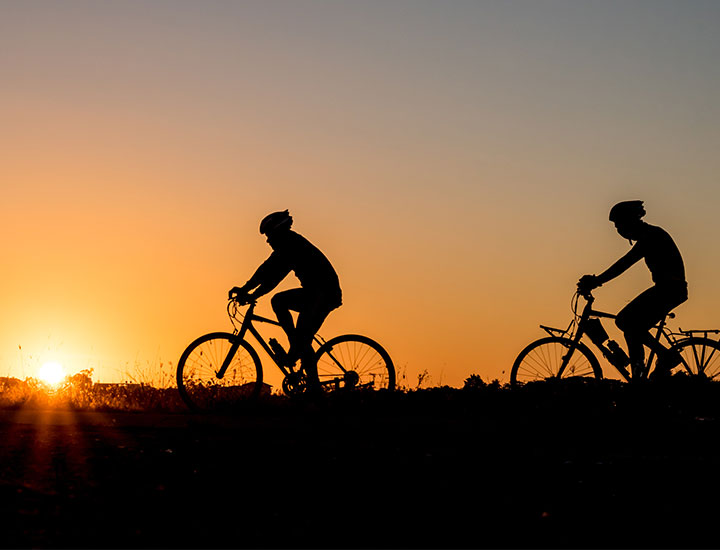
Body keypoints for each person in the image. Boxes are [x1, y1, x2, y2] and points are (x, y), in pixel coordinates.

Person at [229, 210, 342, 390]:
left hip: (322, 294)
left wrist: (251, 293)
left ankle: (297, 355)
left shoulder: (290, 245)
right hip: (317, 293)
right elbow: (266, 269)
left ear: (277, 231)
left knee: (280, 304)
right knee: (302, 339)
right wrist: (246, 289)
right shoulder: (287, 244)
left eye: (268, 235)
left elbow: (274, 278)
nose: (267, 240)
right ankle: (309, 377)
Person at [578, 200, 688, 380]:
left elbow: (624, 264)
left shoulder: (650, 236)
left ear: (630, 221)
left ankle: (645, 367)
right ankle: (656, 360)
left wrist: (596, 281)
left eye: (618, 225)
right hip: (669, 288)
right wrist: (597, 281)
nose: (618, 231)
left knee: (625, 321)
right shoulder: (651, 234)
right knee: (630, 324)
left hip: (669, 289)